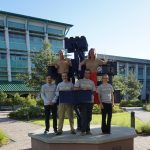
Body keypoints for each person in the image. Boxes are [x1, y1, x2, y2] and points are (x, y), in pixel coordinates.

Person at [74, 69, 96, 136]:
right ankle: (84, 130)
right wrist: (82, 89)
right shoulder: (80, 81)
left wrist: (89, 90)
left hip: (90, 101)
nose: (87, 74)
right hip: (82, 102)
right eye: (86, 73)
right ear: (84, 74)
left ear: (89, 74)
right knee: (84, 116)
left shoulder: (92, 82)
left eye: (88, 73)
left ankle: (87, 129)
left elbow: (94, 91)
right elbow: (74, 89)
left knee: (89, 117)